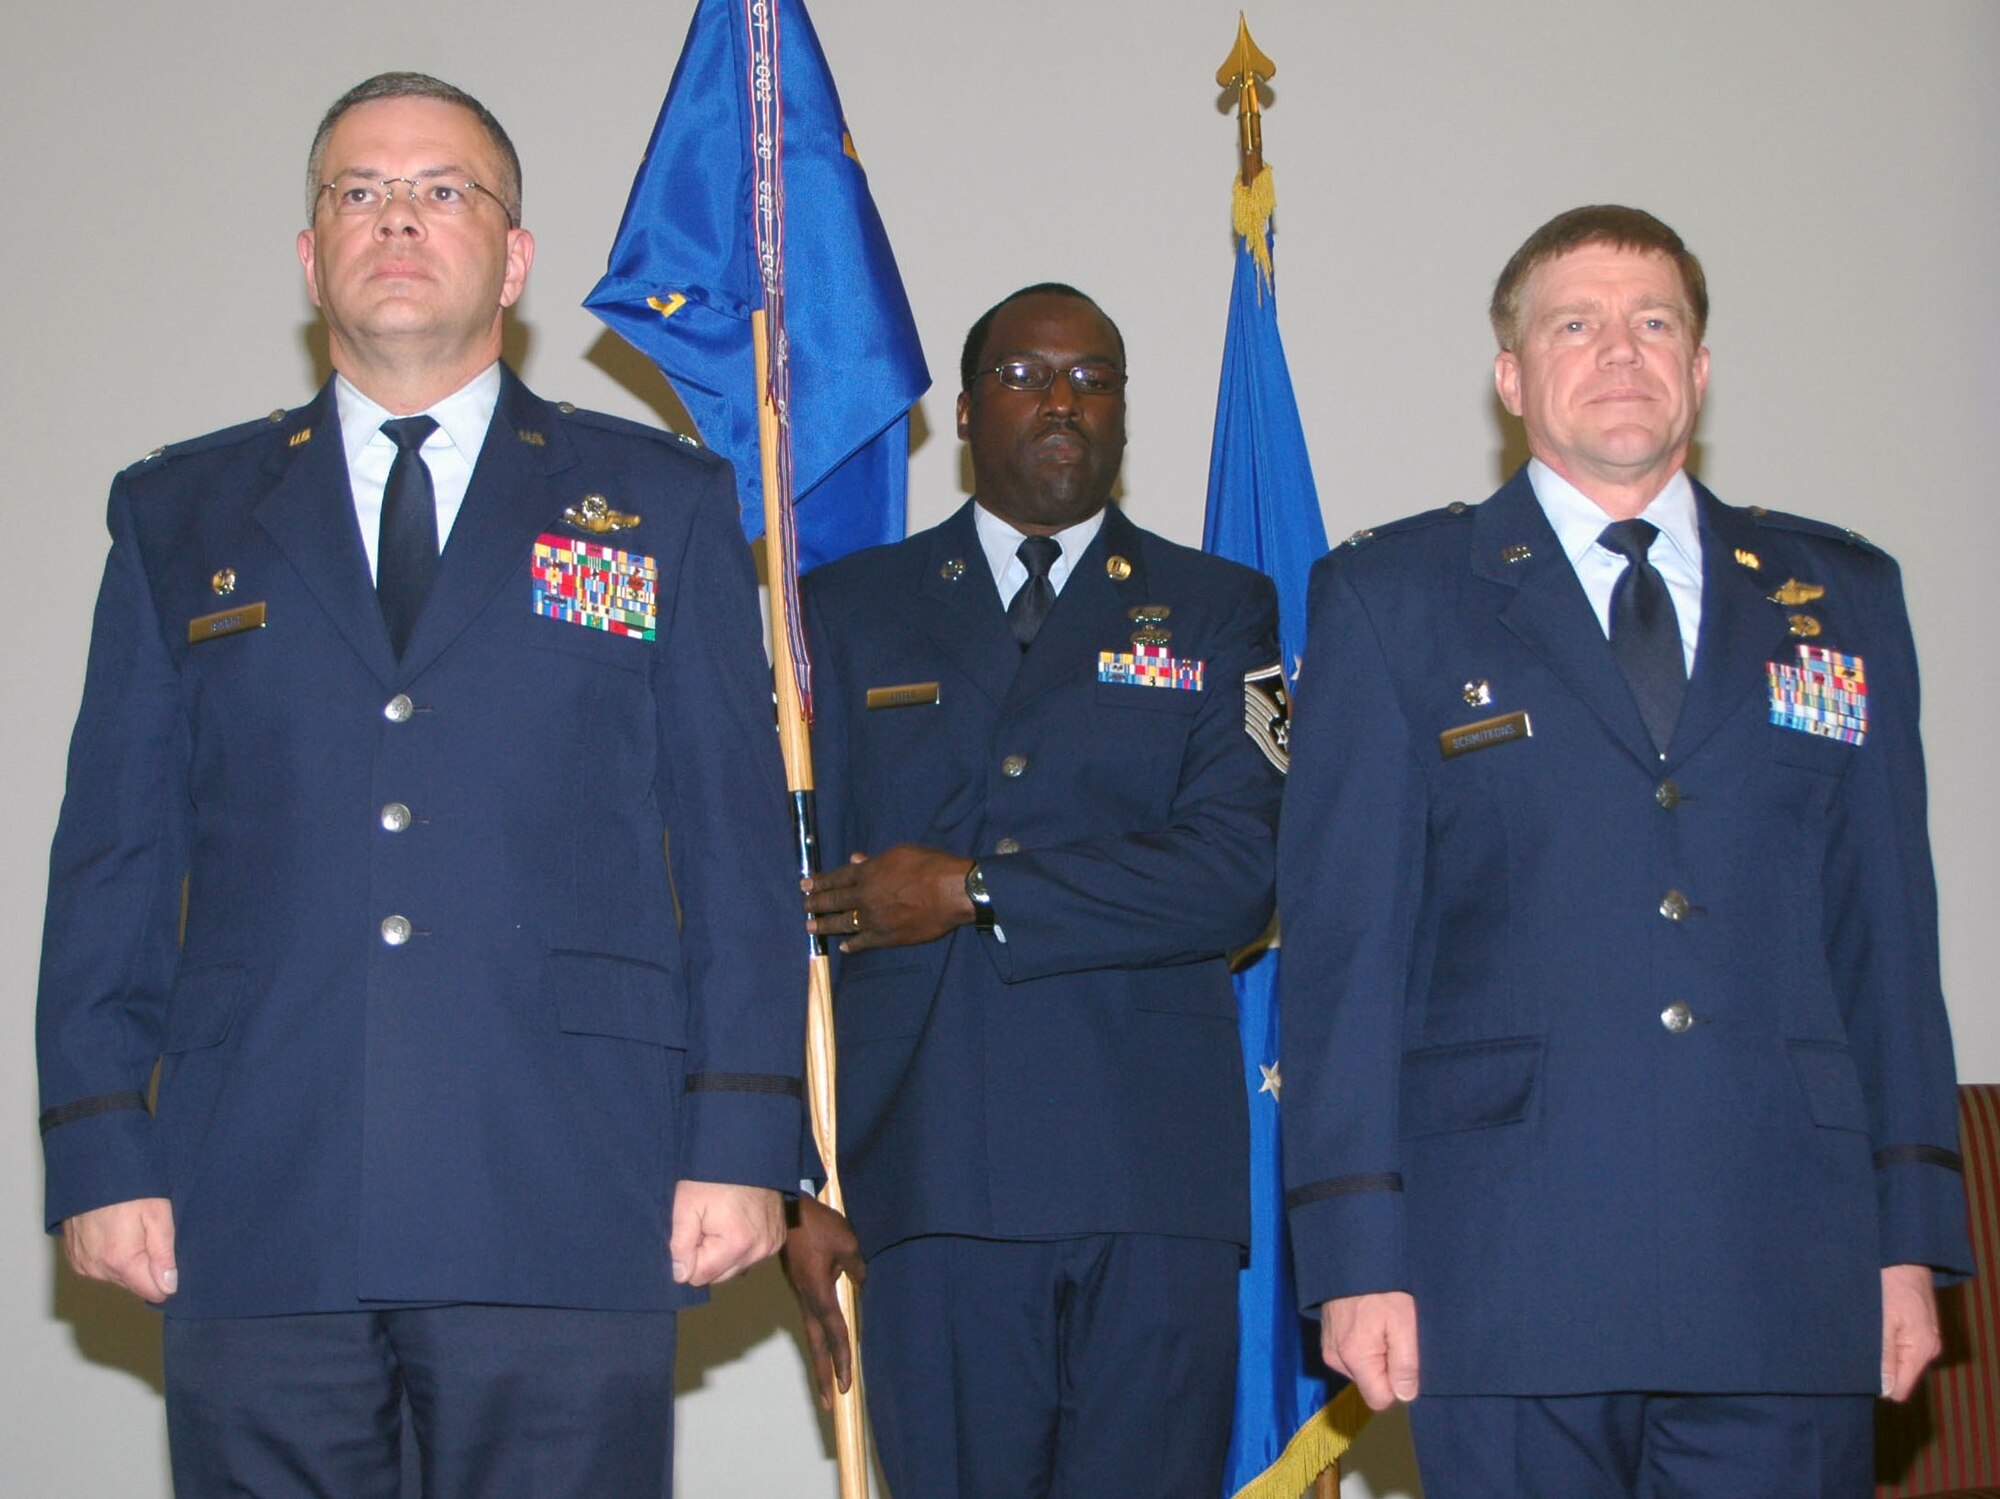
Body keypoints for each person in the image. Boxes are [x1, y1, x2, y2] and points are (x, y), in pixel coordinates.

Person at [35, 72, 804, 1497]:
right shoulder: (179, 514)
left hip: (569, 1185)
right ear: (311, 250)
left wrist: (744, 1133)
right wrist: (95, 1145)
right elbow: (115, 855)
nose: (398, 217)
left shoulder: (660, 506)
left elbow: (739, 850)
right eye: (358, 192)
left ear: (511, 259)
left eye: (443, 189)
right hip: (259, 1194)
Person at [1279, 204, 1972, 1497]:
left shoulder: (1844, 599)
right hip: (1507, 1265)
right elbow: (1345, 955)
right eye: (1577, 324)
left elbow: (1889, 939)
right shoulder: (1395, 598)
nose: (1620, 351)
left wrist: (1909, 1236)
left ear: (1699, 369)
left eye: (1655, 323)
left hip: (1782, 1258)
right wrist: (1357, 1249)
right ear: (1512, 376)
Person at [785, 284, 1286, 1498]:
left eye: (1092, 377)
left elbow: (1235, 875)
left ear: (1121, 411)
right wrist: (789, 1176)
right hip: (927, 1171)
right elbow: (780, 910)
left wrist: (972, 889)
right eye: (1022, 375)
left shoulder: (1220, 608)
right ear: (961, 411)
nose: (1061, 400)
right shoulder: (845, 611)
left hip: (1147, 1178)